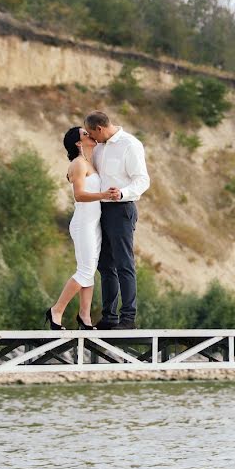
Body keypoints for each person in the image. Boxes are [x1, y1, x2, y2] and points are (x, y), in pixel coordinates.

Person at [44, 126, 120, 330]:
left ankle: (84, 317)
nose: (90, 134)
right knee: (85, 270)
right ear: (78, 143)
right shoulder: (78, 164)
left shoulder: (89, 162)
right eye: (85, 134)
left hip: (93, 224)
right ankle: (57, 310)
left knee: (89, 272)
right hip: (83, 223)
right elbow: (79, 195)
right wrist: (104, 195)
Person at [84, 111, 150, 329]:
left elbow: (142, 180)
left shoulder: (130, 144)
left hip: (121, 209)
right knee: (105, 266)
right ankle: (109, 317)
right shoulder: (99, 147)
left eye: (93, 133)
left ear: (100, 129)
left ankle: (128, 318)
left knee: (124, 263)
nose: (92, 138)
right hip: (100, 210)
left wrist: (122, 193)